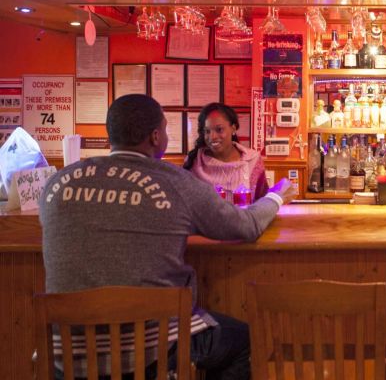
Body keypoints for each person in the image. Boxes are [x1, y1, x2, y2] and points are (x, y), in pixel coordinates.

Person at [39, 94, 297, 380]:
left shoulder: (57, 184)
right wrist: (276, 196)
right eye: (165, 128)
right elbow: (246, 225)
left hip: (66, 355)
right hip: (150, 350)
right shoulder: (177, 183)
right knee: (249, 342)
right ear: (155, 136)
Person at [184, 103, 268, 200]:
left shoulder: (252, 160)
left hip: (244, 215)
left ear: (233, 128)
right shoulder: (194, 161)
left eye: (219, 130)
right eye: (207, 131)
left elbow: (263, 201)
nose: (212, 137)